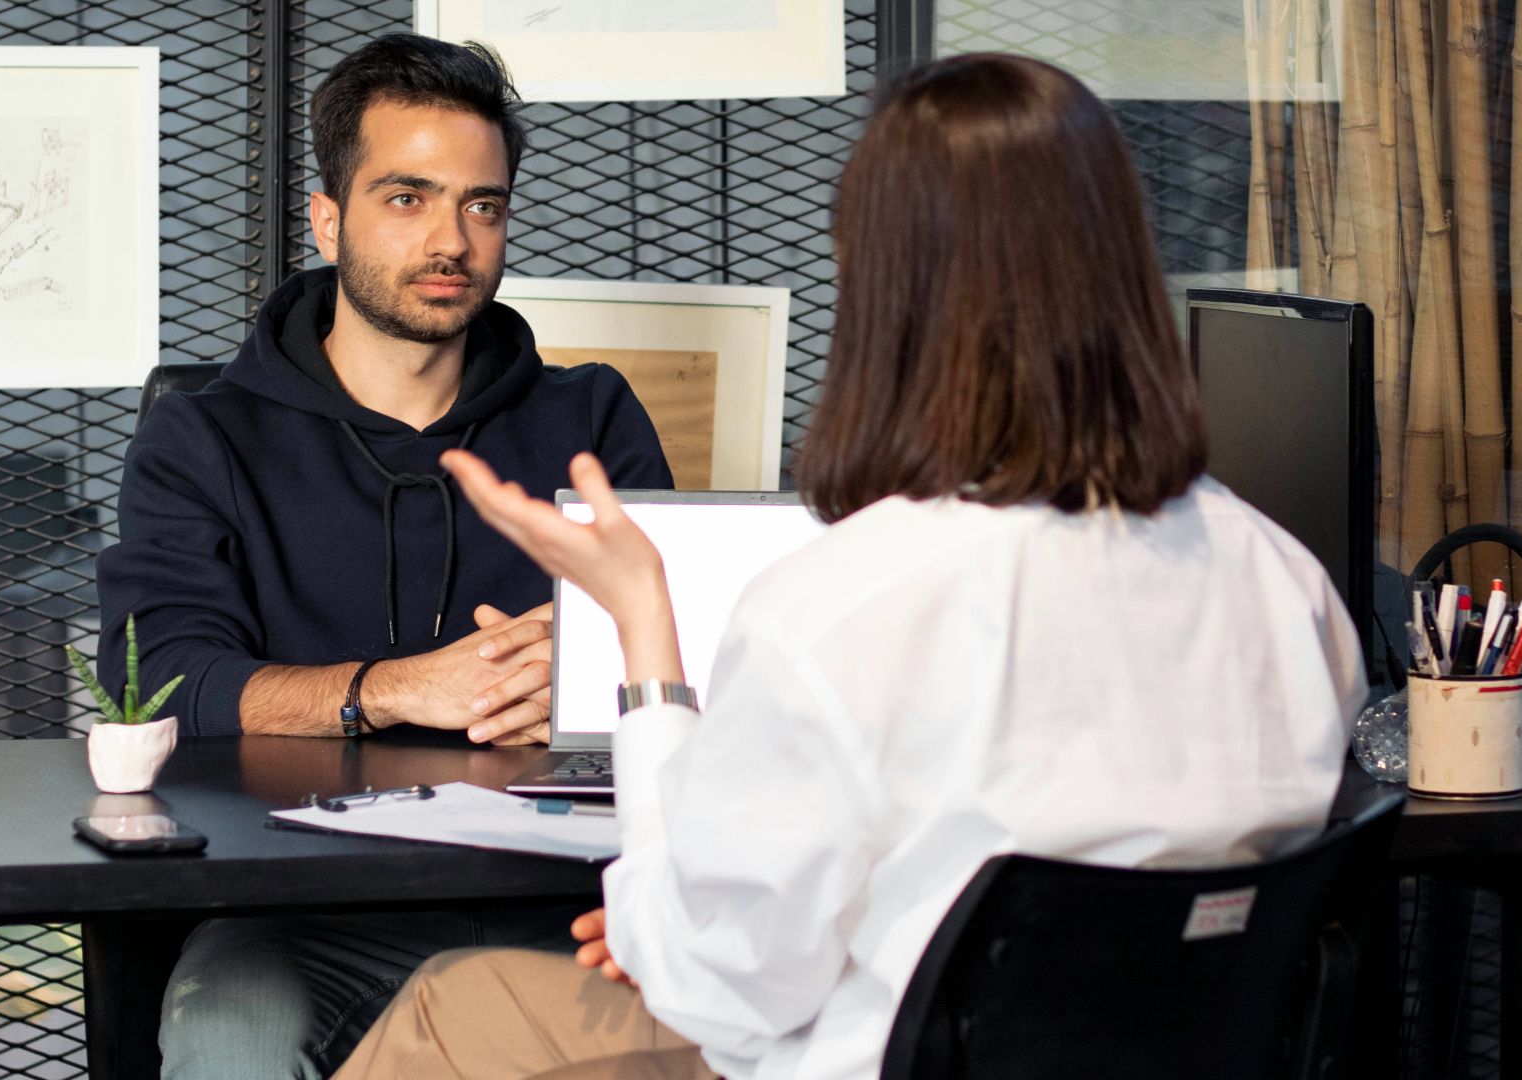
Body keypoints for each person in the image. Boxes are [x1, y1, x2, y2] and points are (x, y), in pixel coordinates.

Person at [331, 53, 1368, 1080]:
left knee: (446, 1011)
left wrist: (657, 913)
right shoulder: (1282, 580)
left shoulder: (847, 606)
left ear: (886, 286)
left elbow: (723, 995)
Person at [94, 34, 673, 1079]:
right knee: (231, 1032)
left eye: (482, 204)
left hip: (567, 901)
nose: (452, 238)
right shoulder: (205, 438)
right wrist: (403, 689)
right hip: (298, 908)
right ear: (328, 217)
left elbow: (696, 665)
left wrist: (583, 680)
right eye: (408, 197)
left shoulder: (592, 416)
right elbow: (166, 678)